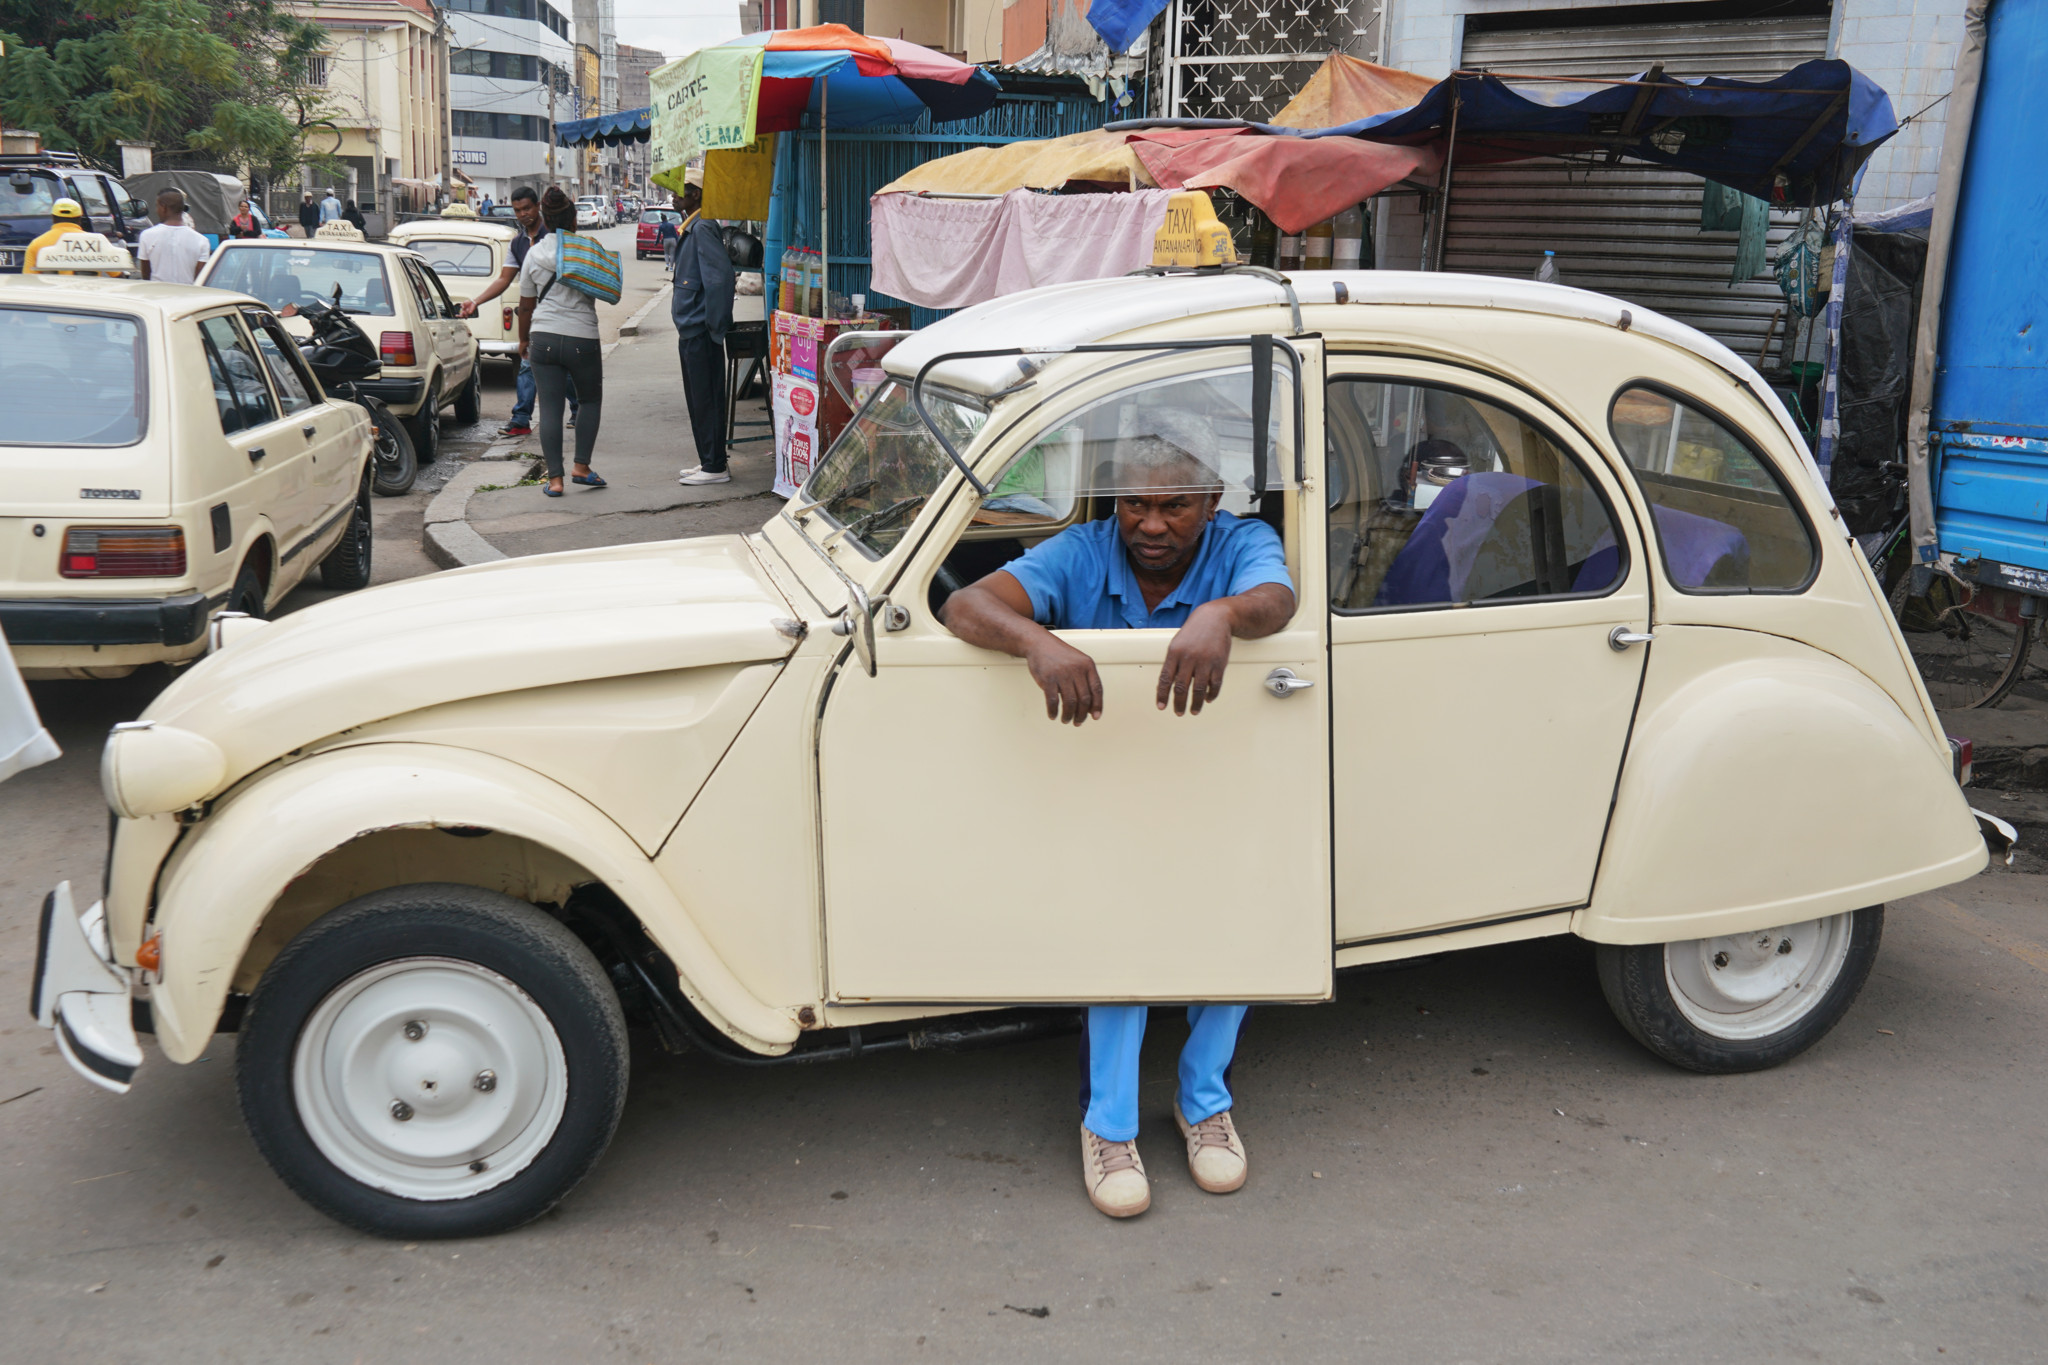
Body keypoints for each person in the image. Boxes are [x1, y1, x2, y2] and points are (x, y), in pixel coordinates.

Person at [938, 434, 1296, 1220]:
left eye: (1174, 506)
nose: (1153, 524)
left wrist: (1219, 613)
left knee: (1231, 921)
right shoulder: (1083, 548)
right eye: (1136, 503)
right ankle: (1108, 1125)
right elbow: (966, 605)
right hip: (1103, 788)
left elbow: (1279, 601)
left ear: (1210, 504)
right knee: (1121, 925)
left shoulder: (1243, 542)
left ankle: (1204, 1102)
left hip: (1215, 781)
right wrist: (1038, 642)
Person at [460, 184, 575, 437]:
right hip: (536, 317)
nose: (523, 214)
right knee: (528, 364)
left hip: (561, 313)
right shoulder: (518, 243)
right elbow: (503, 280)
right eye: (518, 210)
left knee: (560, 367)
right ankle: (522, 418)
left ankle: (576, 407)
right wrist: (476, 301)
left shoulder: (554, 234)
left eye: (527, 208)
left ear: (538, 207)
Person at [516, 186, 606, 498]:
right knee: (590, 401)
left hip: (544, 338)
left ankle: (555, 480)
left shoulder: (534, 253)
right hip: (583, 337)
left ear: (545, 219)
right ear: (574, 220)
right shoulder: (587, 249)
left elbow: (526, 305)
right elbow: (602, 288)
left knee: (550, 410)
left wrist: (523, 340)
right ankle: (581, 467)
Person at [672, 170, 736, 486]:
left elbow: (720, 279)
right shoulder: (692, 228)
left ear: (696, 194)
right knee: (698, 399)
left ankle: (715, 466)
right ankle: (707, 461)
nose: (673, 195)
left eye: (679, 190)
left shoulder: (702, 228)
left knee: (707, 399)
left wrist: (715, 327)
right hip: (691, 330)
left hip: (700, 330)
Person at [135, 190, 211, 284]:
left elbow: (146, 275)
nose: (156, 210)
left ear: (163, 208)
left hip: (157, 295)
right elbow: (200, 278)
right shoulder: (202, 241)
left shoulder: (147, 236)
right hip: (188, 296)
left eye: (157, 206)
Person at [21, 197, 90, 274]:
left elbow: (29, 280)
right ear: (79, 218)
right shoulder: (95, 243)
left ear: (53, 217)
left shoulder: (36, 244)